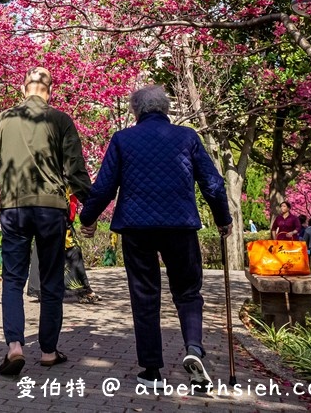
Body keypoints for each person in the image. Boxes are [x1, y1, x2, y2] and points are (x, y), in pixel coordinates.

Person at [79, 85, 232, 391]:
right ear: (166, 109)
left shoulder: (123, 139)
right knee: (188, 292)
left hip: (137, 229)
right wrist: (223, 219)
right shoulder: (188, 137)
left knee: (145, 297)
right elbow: (212, 184)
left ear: (136, 111)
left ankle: (152, 370)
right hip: (180, 226)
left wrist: (87, 218)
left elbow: (105, 186)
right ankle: (193, 349)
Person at [0, 67, 91, 377]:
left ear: (23, 87)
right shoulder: (61, 120)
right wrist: (89, 207)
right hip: (52, 209)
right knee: (51, 280)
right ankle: (49, 351)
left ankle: (15, 346)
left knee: (13, 279)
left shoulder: (3, 120)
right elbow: (75, 170)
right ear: (50, 90)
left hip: (14, 208)